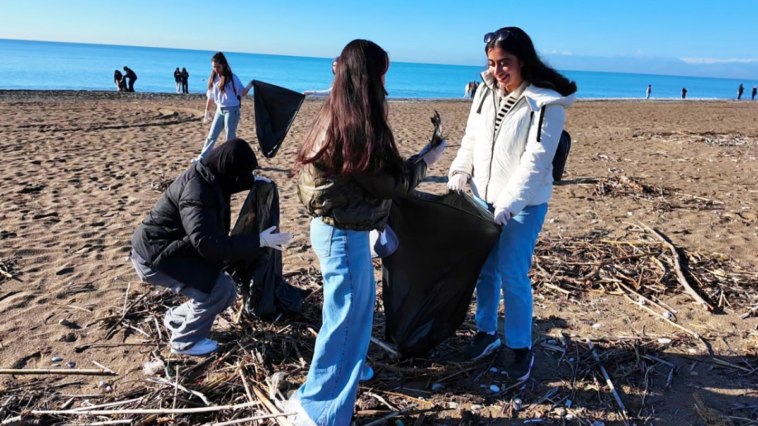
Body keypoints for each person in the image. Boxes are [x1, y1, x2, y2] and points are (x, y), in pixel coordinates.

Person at [285, 39, 446, 426]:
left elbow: (371, 176)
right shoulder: (355, 124)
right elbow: (387, 184)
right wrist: (426, 161)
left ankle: (312, 394)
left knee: (342, 318)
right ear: (370, 74)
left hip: (331, 229)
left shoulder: (336, 110)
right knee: (347, 323)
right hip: (342, 235)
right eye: (383, 71)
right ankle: (320, 413)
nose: (386, 79)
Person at [447, 26, 576, 381]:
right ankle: (486, 333)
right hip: (481, 199)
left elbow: (536, 161)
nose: (497, 70)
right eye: (491, 63)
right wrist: (460, 169)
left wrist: (508, 203)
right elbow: (471, 137)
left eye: (505, 62)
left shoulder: (545, 103)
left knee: (513, 274)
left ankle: (520, 347)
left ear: (523, 61)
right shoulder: (485, 91)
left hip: (524, 206)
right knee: (484, 270)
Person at [130, 139, 292, 356]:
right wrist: (258, 241)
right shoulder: (196, 190)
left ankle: (176, 318)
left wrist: (254, 182)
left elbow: (230, 183)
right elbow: (206, 242)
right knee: (219, 289)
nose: (243, 177)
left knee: (228, 293)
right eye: (242, 172)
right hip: (154, 257)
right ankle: (185, 342)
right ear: (228, 168)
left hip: (172, 249)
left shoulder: (210, 177)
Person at [197, 52, 254, 161]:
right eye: (214, 67)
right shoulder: (214, 78)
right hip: (220, 110)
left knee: (230, 137)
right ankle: (202, 158)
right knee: (212, 135)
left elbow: (242, 93)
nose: (216, 69)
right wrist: (207, 113)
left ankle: (231, 160)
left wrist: (250, 85)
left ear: (223, 65)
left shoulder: (233, 78)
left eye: (218, 67)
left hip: (232, 110)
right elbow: (211, 97)